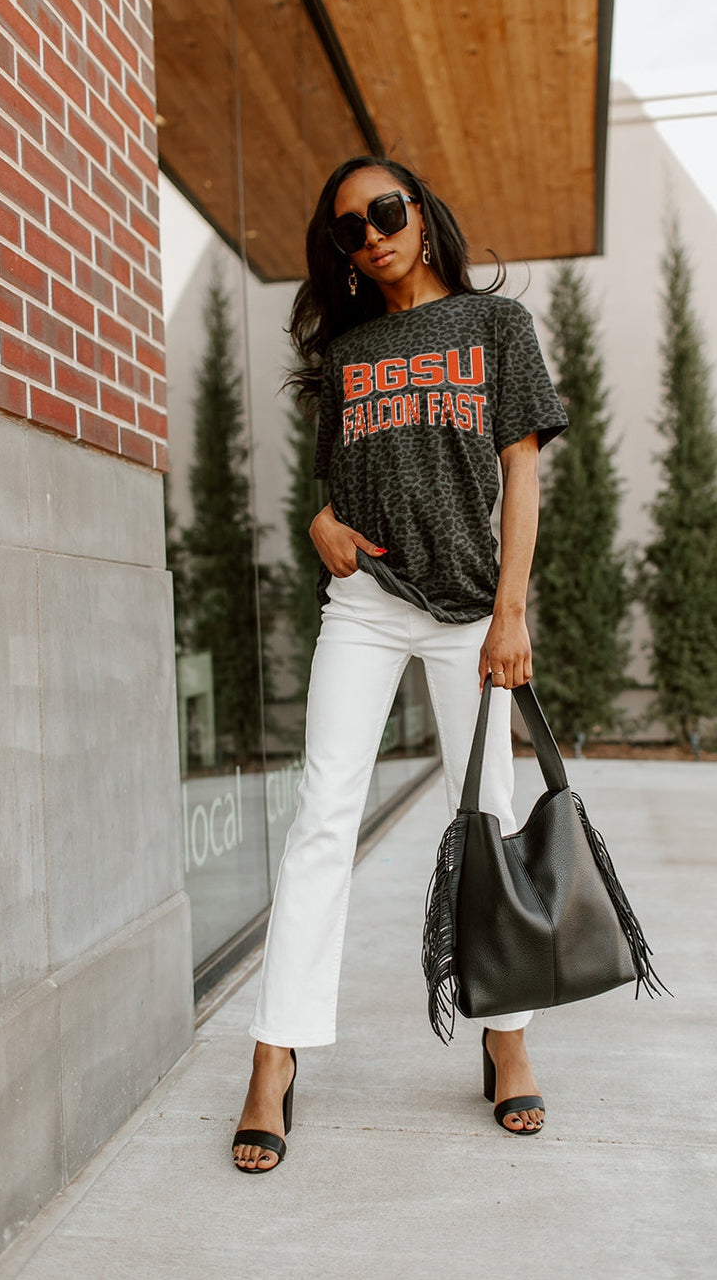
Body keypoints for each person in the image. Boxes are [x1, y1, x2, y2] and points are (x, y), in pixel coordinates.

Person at [232, 157, 568, 1172]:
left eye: (385, 212)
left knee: (490, 819)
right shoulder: (349, 351)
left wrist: (511, 614)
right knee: (322, 818)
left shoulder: (495, 326)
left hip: (472, 614)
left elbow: (521, 472)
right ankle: (275, 1055)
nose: (371, 234)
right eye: (349, 228)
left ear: (421, 214)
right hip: (369, 606)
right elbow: (338, 485)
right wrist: (321, 521)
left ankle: (505, 1038)